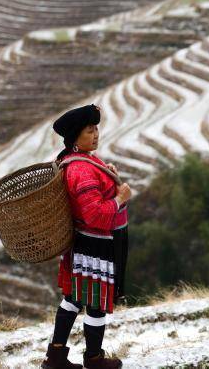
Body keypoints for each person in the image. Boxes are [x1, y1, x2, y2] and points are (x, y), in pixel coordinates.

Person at [42, 104, 132, 369]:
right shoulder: (81, 169)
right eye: (89, 130)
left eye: (96, 129)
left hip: (84, 244)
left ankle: (56, 357)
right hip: (94, 245)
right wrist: (119, 198)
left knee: (74, 299)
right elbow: (96, 215)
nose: (95, 135)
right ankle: (94, 360)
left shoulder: (83, 160)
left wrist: (107, 174)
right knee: (95, 304)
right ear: (75, 138)